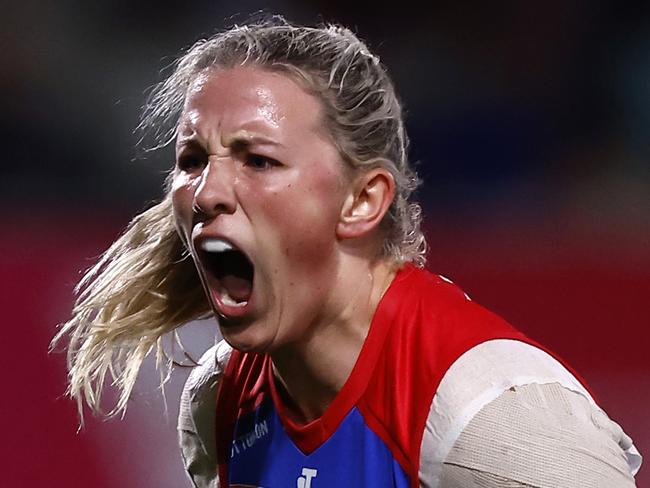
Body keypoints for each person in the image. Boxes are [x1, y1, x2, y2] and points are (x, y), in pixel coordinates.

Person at [54, 17, 642, 488]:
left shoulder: (489, 416)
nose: (205, 192)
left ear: (362, 201)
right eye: (192, 161)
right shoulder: (220, 404)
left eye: (259, 160)